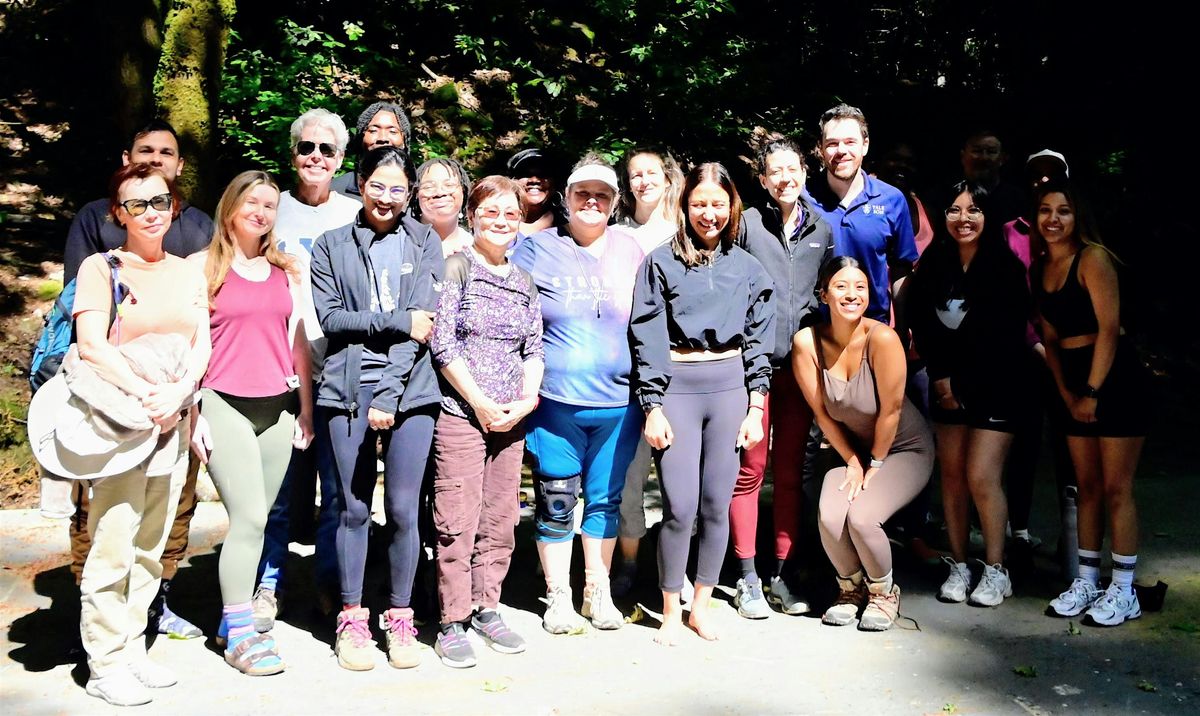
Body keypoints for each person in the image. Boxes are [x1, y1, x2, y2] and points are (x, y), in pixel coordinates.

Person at [63, 119, 211, 641]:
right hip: (120, 415)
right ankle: (101, 649)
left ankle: (136, 637)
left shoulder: (192, 260)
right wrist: (148, 393)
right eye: (138, 204)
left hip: (174, 418)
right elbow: (90, 341)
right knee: (108, 534)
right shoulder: (100, 260)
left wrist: (182, 395)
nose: (151, 212)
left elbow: (202, 342)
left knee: (155, 535)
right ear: (118, 212)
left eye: (160, 202)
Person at [310, 146, 445, 669]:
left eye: (397, 189)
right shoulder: (331, 244)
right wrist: (393, 320)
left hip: (410, 390)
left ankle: (401, 616)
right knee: (353, 508)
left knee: (405, 510)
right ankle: (352, 618)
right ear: (360, 184)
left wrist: (389, 393)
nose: (386, 198)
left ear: (409, 193)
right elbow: (331, 319)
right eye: (377, 186)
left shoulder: (425, 240)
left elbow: (423, 325)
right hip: (346, 388)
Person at [631, 162, 775, 644]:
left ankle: (701, 605)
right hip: (677, 388)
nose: (708, 214)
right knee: (680, 506)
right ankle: (670, 609)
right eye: (699, 204)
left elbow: (759, 341)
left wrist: (756, 408)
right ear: (684, 205)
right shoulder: (659, 263)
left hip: (730, 390)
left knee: (716, 504)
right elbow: (646, 335)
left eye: (717, 204)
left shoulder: (748, 267)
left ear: (732, 206)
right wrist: (652, 405)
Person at [511, 155, 644, 633]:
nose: (592, 201)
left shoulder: (630, 249)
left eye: (602, 194)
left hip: (618, 403)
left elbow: (650, 321)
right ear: (565, 199)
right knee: (556, 499)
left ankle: (596, 589)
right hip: (555, 400)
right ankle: (557, 595)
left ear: (615, 202)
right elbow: (512, 314)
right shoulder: (536, 248)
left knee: (606, 500)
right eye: (582, 193)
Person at [193, 170, 314, 675]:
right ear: (230, 206)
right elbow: (191, 344)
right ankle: (241, 635)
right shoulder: (202, 267)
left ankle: (232, 617)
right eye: (252, 202)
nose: (261, 212)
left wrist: (306, 408)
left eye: (269, 205)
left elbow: (298, 340)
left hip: (279, 407)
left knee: (260, 520)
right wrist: (194, 411)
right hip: (223, 402)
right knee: (248, 519)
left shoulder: (288, 270)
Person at [429, 176, 544, 667]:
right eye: (491, 212)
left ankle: (487, 607)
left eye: (511, 213)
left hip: (510, 419)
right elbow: (442, 343)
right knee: (456, 518)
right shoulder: (456, 267)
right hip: (462, 413)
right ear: (473, 216)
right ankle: (451, 620)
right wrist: (478, 402)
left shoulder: (523, 280)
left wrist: (527, 399)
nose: (501, 221)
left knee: (500, 518)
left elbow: (533, 348)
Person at [258, 108, 360, 627]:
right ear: (293, 152)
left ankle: (329, 583)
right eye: (306, 147)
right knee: (275, 491)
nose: (315, 157)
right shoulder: (270, 210)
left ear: (341, 159)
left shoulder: (356, 214)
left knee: (339, 492)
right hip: (278, 369)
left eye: (327, 149)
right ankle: (266, 583)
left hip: (340, 369)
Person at [906, 182, 1031, 607]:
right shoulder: (934, 263)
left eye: (973, 210)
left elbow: (1006, 336)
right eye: (955, 210)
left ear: (988, 216)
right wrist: (942, 381)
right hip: (945, 389)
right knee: (954, 477)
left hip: (997, 387)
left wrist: (960, 385)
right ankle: (959, 565)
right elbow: (921, 322)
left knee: (982, 476)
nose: (964, 218)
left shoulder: (1006, 267)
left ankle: (996, 569)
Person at [792, 257, 933, 631]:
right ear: (824, 294)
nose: (852, 294)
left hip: (902, 449)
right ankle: (851, 588)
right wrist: (854, 462)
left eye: (860, 287)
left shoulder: (881, 338)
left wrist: (876, 465)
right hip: (852, 448)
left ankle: (884, 592)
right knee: (830, 516)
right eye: (841, 286)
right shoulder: (807, 342)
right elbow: (822, 414)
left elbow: (891, 411)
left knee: (862, 516)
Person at [1032, 183, 1150, 627]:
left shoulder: (1093, 258)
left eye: (1063, 211)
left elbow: (1109, 327)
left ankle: (1124, 588)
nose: (1053, 219)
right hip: (1072, 378)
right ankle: (1087, 581)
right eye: (1045, 210)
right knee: (1086, 486)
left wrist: (1092, 392)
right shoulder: (1039, 267)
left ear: (1077, 216)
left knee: (1117, 486)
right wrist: (1067, 393)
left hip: (1115, 379)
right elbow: (1049, 338)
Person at [729, 136, 833, 618]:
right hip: (751, 366)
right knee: (750, 470)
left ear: (805, 173)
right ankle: (746, 573)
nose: (786, 178)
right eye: (776, 171)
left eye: (793, 169)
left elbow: (823, 294)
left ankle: (784, 572)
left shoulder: (821, 229)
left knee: (791, 472)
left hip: (800, 369)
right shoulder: (747, 224)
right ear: (764, 179)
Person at [610, 146, 684, 598]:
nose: (643, 181)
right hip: (627, 369)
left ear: (668, 178)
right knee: (629, 478)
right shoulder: (615, 235)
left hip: (678, 368)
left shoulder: (685, 231)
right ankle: (628, 563)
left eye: (651, 172)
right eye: (635, 174)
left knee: (679, 479)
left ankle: (676, 565)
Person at [805, 104, 918, 322]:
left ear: (865, 145)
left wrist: (902, 330)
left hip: (872, 327)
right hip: (815, 329)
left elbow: (901, 270)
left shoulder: (891, 200)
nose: (841, 151)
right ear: (820, 148)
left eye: (850, 142)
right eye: (832, 143)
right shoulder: (803, 200)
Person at [330, 101, 412, 202]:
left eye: (392, 131)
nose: (383, 138)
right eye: (373, 130)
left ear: (405, 141)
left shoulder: (418, 194)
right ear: (361, 138)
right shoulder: (335, 191)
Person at [959, 129, 1025, 225]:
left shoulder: (1018, 200)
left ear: (1003, 158)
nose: (984, 157)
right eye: (977, 151)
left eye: (991, 151)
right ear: (963, 156)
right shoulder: (944, 195)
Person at [415, 157, 474, 257]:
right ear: (416, 193)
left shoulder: (476, 247)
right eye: (429, 187)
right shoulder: (401, 242)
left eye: (449, 185)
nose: (439, 192)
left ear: (463, 191)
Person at [507, 148, 563, 238]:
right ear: (512, 181)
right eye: (525, 174)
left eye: (543, 174)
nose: (534, 180)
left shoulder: (571, 226)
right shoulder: (496, 222)